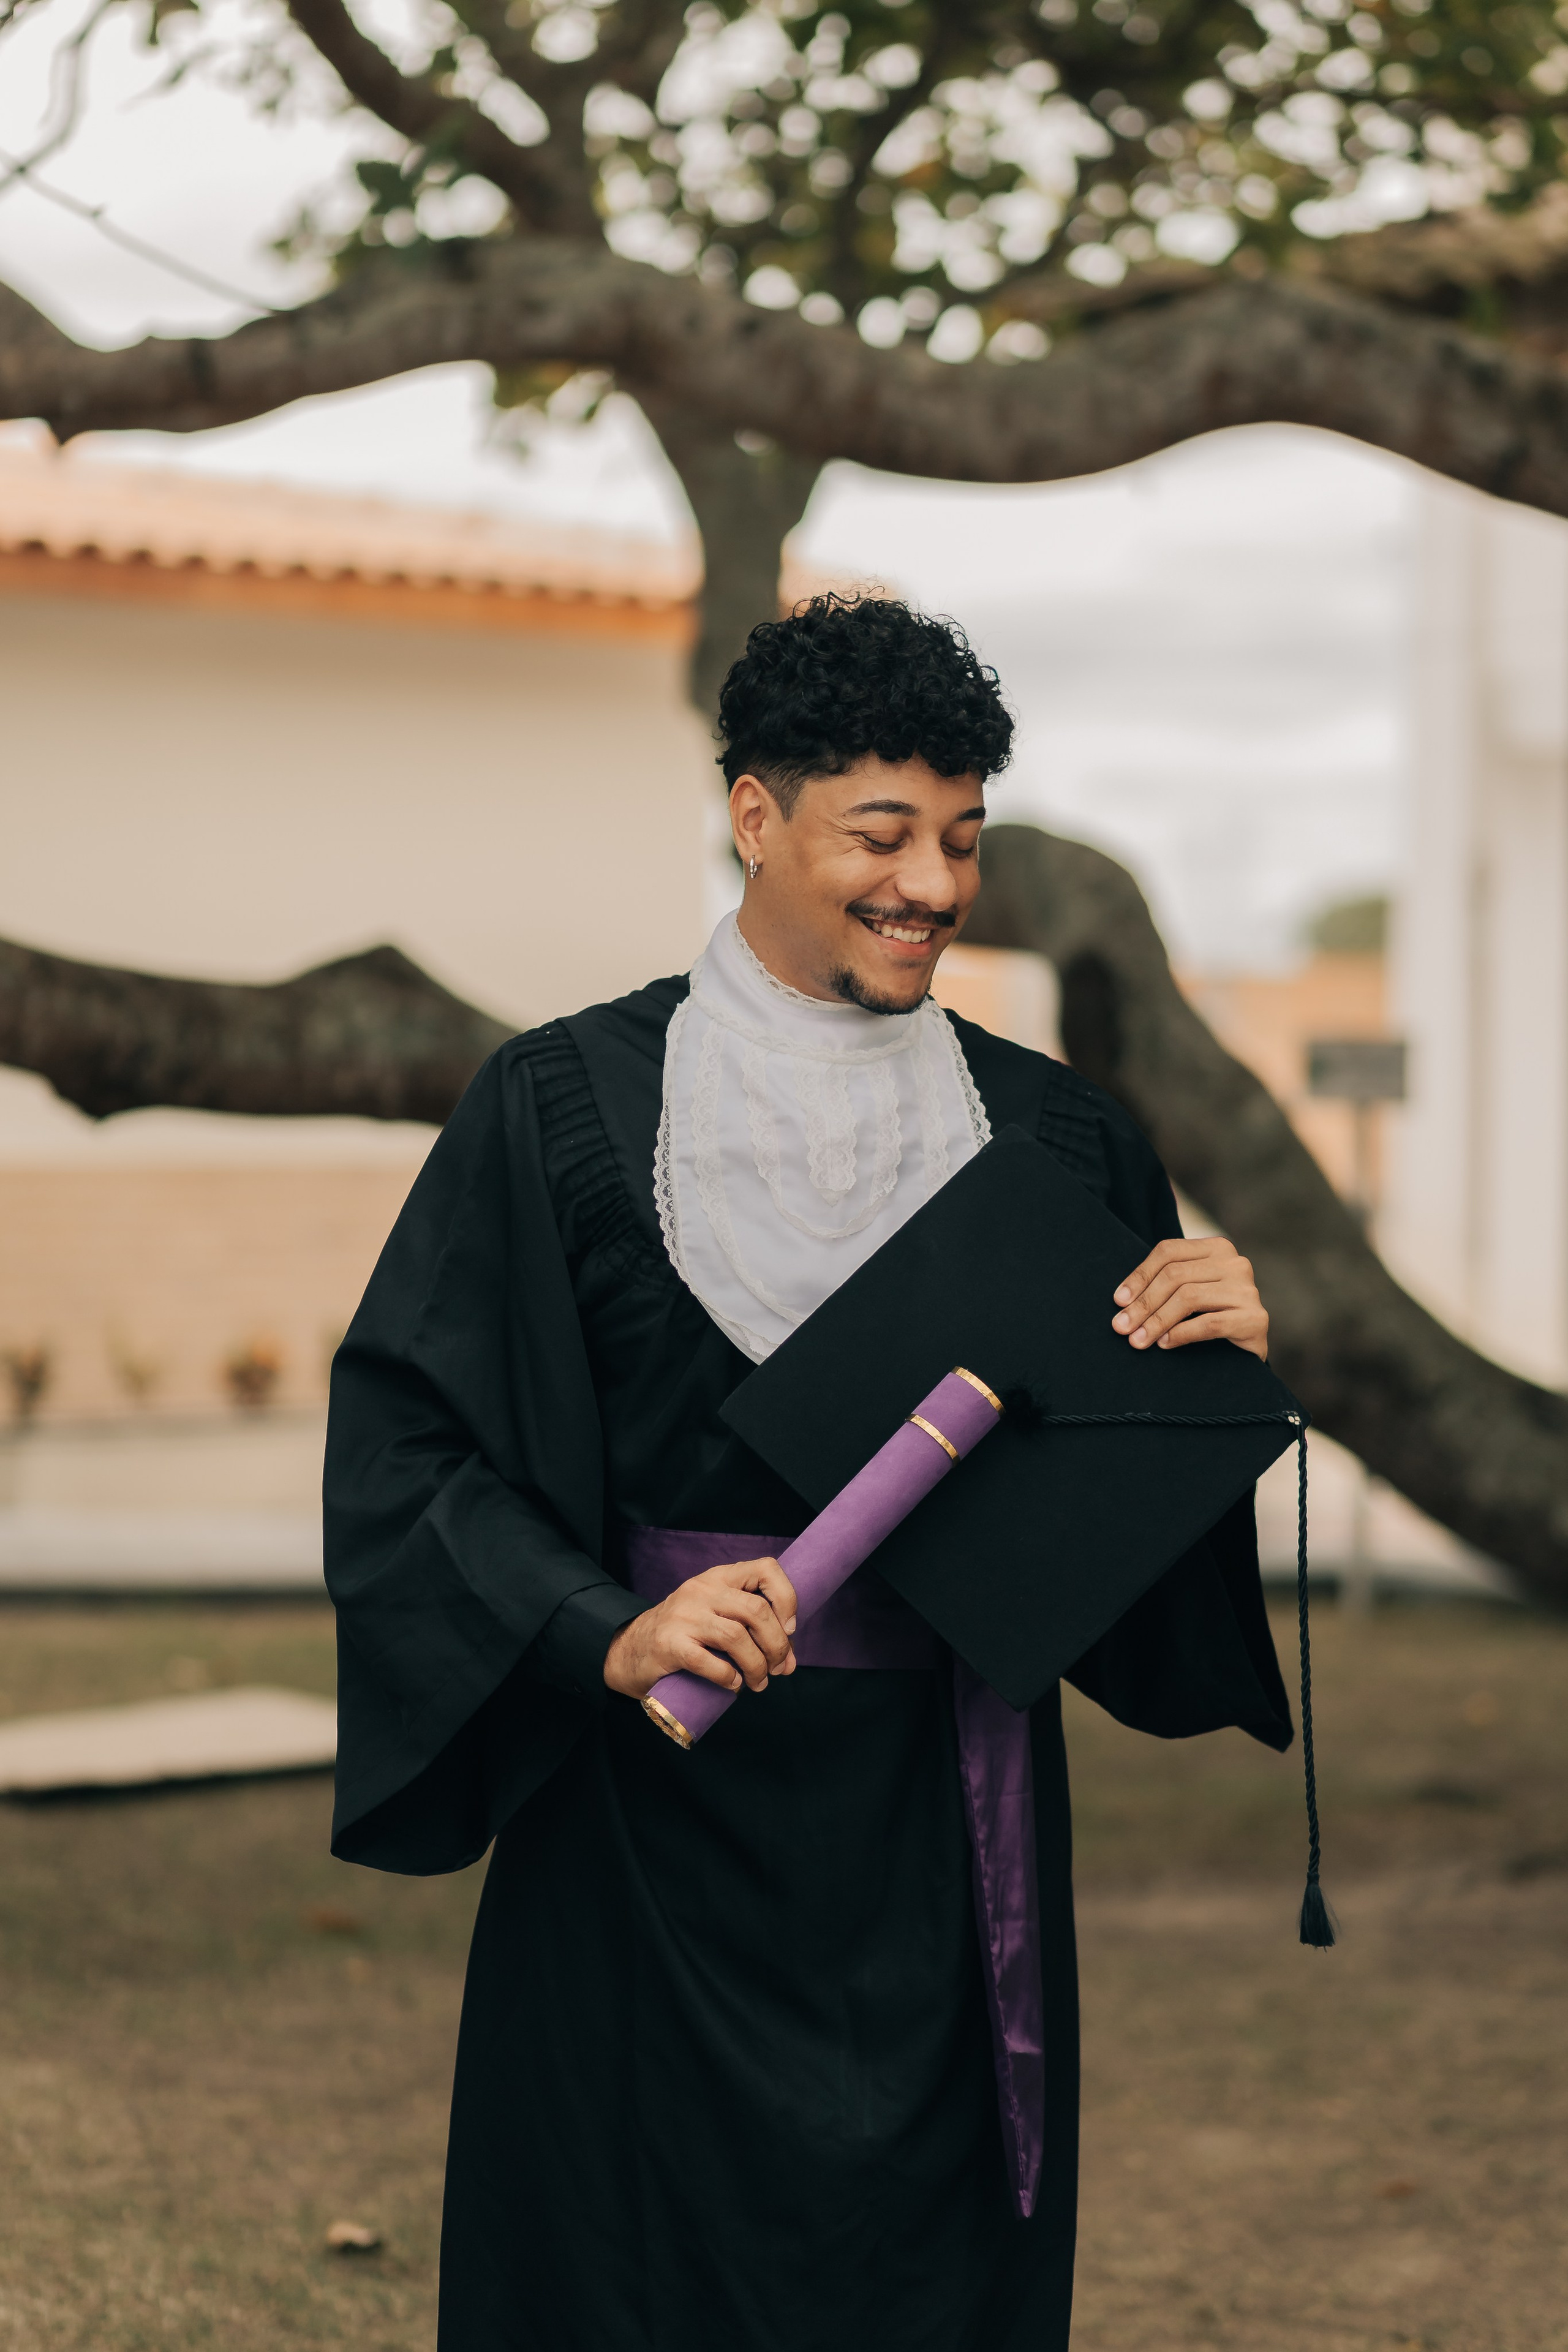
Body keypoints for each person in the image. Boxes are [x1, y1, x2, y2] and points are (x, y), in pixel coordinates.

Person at [325, 595, 1281, 2352]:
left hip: (943, 1831)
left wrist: (1207, 1372)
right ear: (756, 814)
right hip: (641, 1830)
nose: (933, 882)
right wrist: (596, 1625)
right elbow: (411, 1453)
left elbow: (1127, 1579)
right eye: (884, 832)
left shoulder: (1065, 1145)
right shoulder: (554, 1115)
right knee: (630, 2264)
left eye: (967, 838)